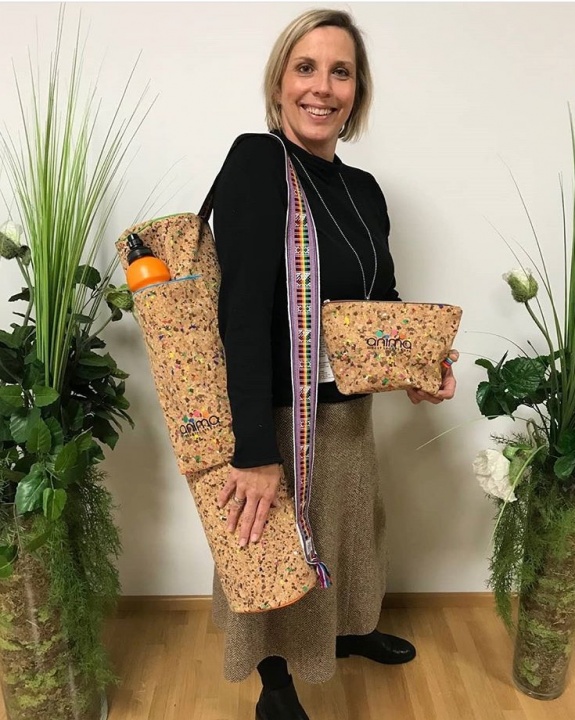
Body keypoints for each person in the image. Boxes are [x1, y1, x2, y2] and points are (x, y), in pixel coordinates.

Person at [211, 8, 457, 720]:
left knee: (349, 532)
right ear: (279, 84)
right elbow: (241, 313)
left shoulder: (363, 190)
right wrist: (254, 453)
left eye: (340, 72)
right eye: (306, 68)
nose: (322, 87)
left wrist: (420, 366)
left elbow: (382, 302)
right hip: (278, 415)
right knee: (271, 549)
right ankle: (276, 681)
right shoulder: (259, 163)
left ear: (357, 91)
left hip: (347, 413)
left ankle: (347, 629)